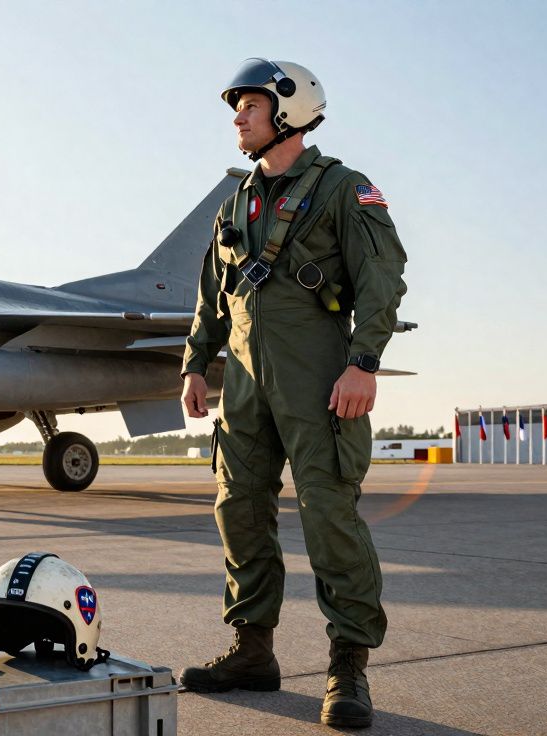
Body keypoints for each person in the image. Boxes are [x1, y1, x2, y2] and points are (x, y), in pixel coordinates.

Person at [178, 58, 408, 729]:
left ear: (290, 110)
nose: (238, 117)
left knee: (328, 515)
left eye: (250, 105)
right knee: (239, 510)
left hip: (319, 381)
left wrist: (363, 363)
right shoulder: (235, 204)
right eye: (238, 107)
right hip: (245, 386)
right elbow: (212, 296)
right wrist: (195, 364)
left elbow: (382, 277)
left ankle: (349, 667)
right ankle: (253, 651)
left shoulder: (343, 188)